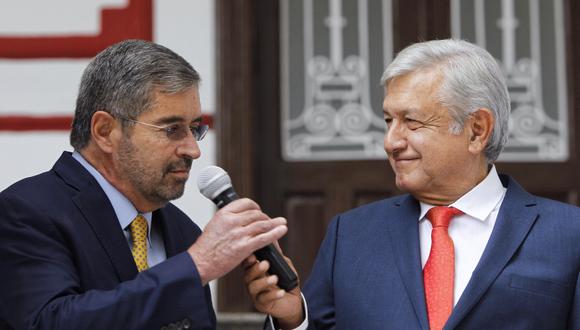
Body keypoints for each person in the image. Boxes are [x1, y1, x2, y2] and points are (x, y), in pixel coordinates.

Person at [244, 39, 580, 329]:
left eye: (412, 122)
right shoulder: (350, 235)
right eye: (389, 120)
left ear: (477, 130)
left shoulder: (569, 234)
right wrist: (292, 318)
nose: (391, 141)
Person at [0, 40, 288, 330]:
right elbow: (50, 323)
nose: (193, 150)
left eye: (195, 128)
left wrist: (286, 319)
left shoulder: (182, 230)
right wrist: (196, 266)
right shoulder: (26, 212)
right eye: (172, 129)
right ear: (105, 131)